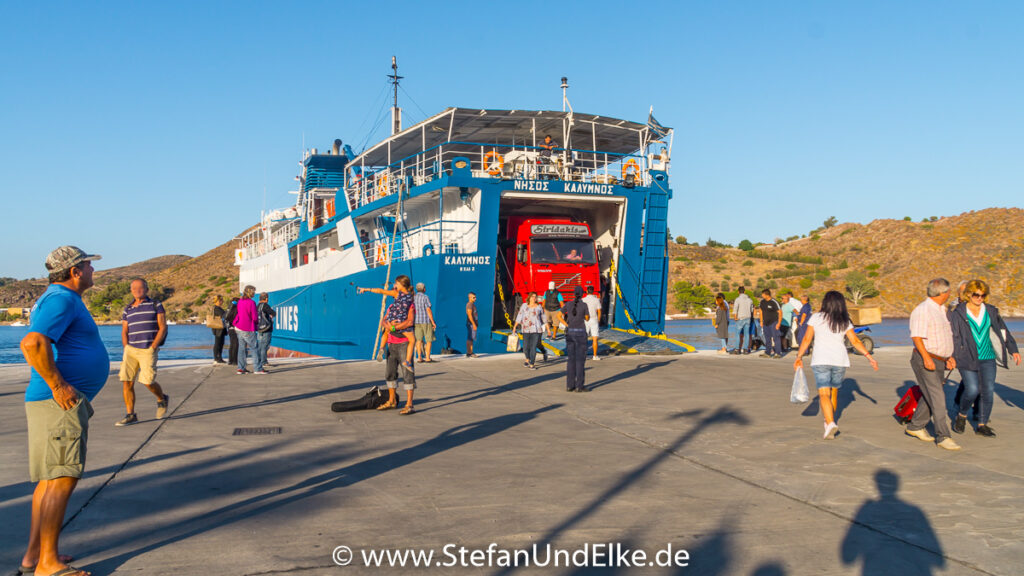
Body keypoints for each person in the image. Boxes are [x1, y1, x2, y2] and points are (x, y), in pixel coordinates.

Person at [19, 246, 108, 576]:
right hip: (58, 405)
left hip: (54, 405)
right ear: (75, 271)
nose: (92, 271)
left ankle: (34, 556)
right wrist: (59, 385)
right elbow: (32, 343)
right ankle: (48, 564)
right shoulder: (61, 299)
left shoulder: (60, 299)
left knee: (48, 481)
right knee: (61, 479)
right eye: (88, 265)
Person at [794, 291, 878, 439]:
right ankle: (829, 423)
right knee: (833, 392)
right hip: (840, 361)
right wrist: (869, 357)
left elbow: (807, 339)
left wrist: (799, 356)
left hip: (821, 360)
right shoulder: (844, 321)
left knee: (823, 394)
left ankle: (830, 422)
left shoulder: (816, 318)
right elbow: (856, 341)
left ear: (825, 303)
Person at [949, 279, 1021, 437]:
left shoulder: (991, 311)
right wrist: (951, 356)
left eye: (983, 295)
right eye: (976, 295)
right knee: (972, 389)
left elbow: (1003, 331)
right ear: (969, 294)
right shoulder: (958, 312)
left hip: (987, 357)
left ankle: (982, 424)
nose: (979, 298)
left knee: (987, 391)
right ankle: (962, 415)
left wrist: (1013, 350)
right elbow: (953, 336)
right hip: (966, 357)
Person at [906, 278, 961, 450]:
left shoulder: (941, 310)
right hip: (925, 359)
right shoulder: (923, 310)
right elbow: (917, 337)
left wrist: (948, 357)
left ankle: (915, 426)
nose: (950, 294)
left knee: (931, 394)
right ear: (942, 293)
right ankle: (943, 436)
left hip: (940, 360)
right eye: (949, 291)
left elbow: (943, 336)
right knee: (938, 397)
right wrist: (927, 358)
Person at [115, 279, 169, 426]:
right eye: (134, 288)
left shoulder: (155, 304)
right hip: (131, 350)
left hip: (148, 349)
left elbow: (162, 327)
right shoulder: (128, 309)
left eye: (140, 288)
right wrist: (126, 346)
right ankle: (130, 415)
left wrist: (153, 346)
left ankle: (161, 398)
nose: (137, 290)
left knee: (147, 381)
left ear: (146, 289)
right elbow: (124, 330)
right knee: (127, 382)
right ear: (131, 291)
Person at [358, 282, 417, 414]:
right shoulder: (391, 307)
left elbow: (410, 322)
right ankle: (392, 401)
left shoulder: (410, 305)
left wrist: (394, 327)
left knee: (407, 374)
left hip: (404, 343)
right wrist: (388, 325)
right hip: (392, 344)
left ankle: (409, 404)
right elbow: (383, 321)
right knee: (390, 374)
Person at [358, 276, 417, 370]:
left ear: (402, 285)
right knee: (412, 340)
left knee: (386, 332)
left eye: (396, 283)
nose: (394, 285)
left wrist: (367, 289)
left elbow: (381, 291)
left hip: (391, 319)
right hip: (401, 322)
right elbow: (411, 312)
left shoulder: (396, 294)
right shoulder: (411, 296)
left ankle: (381, 347)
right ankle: (407, 361)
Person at [562, 286, 590, 392]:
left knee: (571, 360)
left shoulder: (568, 304)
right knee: (580, 361)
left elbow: (559, 315)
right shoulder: (584, 305)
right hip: (580, 334)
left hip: (570, 333)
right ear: (582, 294)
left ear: (574, 294)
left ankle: (570, 385)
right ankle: (579, 386)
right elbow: (587, 318)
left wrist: (567, 324)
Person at [512, 292, 548, 369]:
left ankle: (532, 363)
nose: (534, 298)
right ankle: (527, 358)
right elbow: (519, 316)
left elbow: (544, 318)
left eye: (535, 297)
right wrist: (515, 327)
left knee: (533, 347)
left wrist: (547, 329)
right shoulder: (524, 306)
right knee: (525, 347)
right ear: (529, 297)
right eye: (532, 296)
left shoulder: (539, 307)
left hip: (536, 330)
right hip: (526, 329)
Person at [234, 286, 259, 374]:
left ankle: (241, 368)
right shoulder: (251, 303)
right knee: (254, 348)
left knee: (241, 348)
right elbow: (254, 317)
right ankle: (257, 368)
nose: (254, 293)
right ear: (250, 293)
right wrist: (256, 323)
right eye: (254, 292)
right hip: (247, 328)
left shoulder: (240, 301)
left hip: (238, 327)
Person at [413, 282, 437, 363]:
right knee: (428, 340)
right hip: (426, 321)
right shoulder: (425, 297)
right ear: (424, 289)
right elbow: (428, 310)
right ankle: (427, 358)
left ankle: (419, 357)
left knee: (418, 340)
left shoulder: (414, 297)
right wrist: (433, 322)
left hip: (416, 321)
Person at [255, 293, 276, 374]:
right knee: (265, 345)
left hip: (259, 329)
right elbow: (273, 313)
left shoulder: (257, 306)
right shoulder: (266, 306)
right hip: (266, 328)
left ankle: (259, 361)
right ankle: (263, 362)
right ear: (266, 298)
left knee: (260, 345)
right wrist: (271, 315)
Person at [759, 290, 782, 358]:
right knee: (767, 338)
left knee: (776, 338)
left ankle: (778, 353)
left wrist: (779, 323)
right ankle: (768, 352)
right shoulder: (762, 302)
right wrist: (761, 321)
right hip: (765, 323)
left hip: (774, 322)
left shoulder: (774, 302)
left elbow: (780, 313)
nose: (762, 296)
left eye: (762, 294)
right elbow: (760, 311)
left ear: (767, 295)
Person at [731, 287, 754, 354]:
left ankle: (737, 349)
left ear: (738, 292)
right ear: (745, 291)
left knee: (737, 334)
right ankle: (745, 350)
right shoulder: (750, 300)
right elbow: (751, 310)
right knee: (746, 334)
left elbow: (735, 309)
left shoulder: (737, 299)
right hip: (748, 318)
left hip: (740, 318)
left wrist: (735, 317)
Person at [582, 286, 602, 360]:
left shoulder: (583, 300)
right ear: (593, 291)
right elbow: (599, 311)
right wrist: (599, 320)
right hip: (594, 319)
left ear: (587, 291)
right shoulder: (596, 300)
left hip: (585, 320)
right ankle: (595, 356)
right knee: (595, 338)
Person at [210, 295, 227, 364]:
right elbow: (224, 315)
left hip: (220, 328)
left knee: (221, 343)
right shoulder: (216, 308)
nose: (222, 301)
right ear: (218, 301)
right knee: (217, 343)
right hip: (218, 328)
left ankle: (219, 357)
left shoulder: (218, 308)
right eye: (221, 300)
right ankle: (216, 358)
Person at [224, 296, 240, 366]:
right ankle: (235, 361)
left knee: (232, 344)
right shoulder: (235, 308)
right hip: (234, 328)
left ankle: (230, 360)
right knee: (236, 344)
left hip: (229, 328)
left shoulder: (228, 309)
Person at [466, 292, 479, 357]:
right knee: (470, 338)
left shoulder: (472, 304)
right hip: (471, 324)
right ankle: (470, 353)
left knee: (471, 338)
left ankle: (470, 352)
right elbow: (469, 315)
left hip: (472, 324)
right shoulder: (470, 305)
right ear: (470, 297)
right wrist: (473, 324)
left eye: (475, 297)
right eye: (474, 297)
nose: (475, 299)